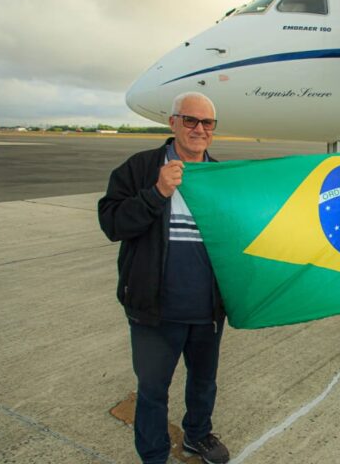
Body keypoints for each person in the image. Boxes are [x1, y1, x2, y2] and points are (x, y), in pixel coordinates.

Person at [98, 92, 230, 464]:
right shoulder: (140, 169)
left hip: (206, 310)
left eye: (207, 123)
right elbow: (112, 223)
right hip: (154, 309)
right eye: (190, 120)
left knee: (203, 383)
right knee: (153, 389)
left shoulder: (220, 177)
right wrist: (157, 193)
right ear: (172, 123)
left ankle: (197, 436)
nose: (199, 129)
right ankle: (154, 456)